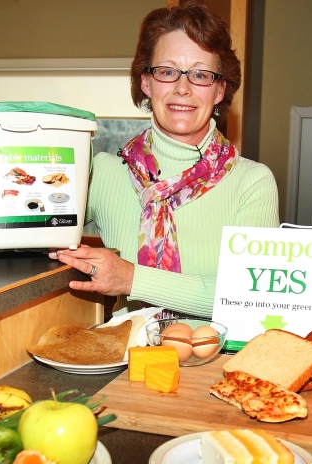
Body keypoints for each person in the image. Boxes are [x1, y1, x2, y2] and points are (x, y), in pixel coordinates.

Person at [50, 2, 279, 318]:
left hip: (214, 363)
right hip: (125, 360)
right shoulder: (102, 172)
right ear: (146, 82)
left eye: (200, 74)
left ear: (220, 89)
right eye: (168, 72)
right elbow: (38, 234)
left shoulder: (251, 182)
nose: (182, 88)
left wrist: (132, 279)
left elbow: (251, 297)